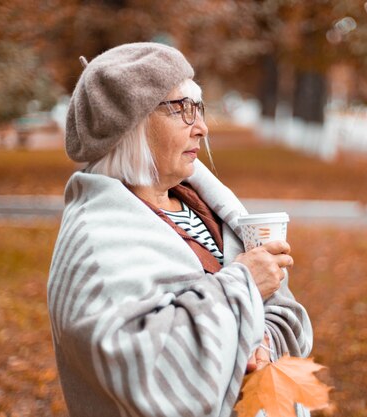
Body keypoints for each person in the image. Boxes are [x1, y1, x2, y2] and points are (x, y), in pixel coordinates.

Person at [47, 42, 312, 417]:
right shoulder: (97, 241)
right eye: (182, 109)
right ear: (132, 124)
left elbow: (284, 311)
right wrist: (245, 287)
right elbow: (150, 377)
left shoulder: (206, 204)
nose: (202, 127)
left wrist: (261, 342)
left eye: (199, 108)